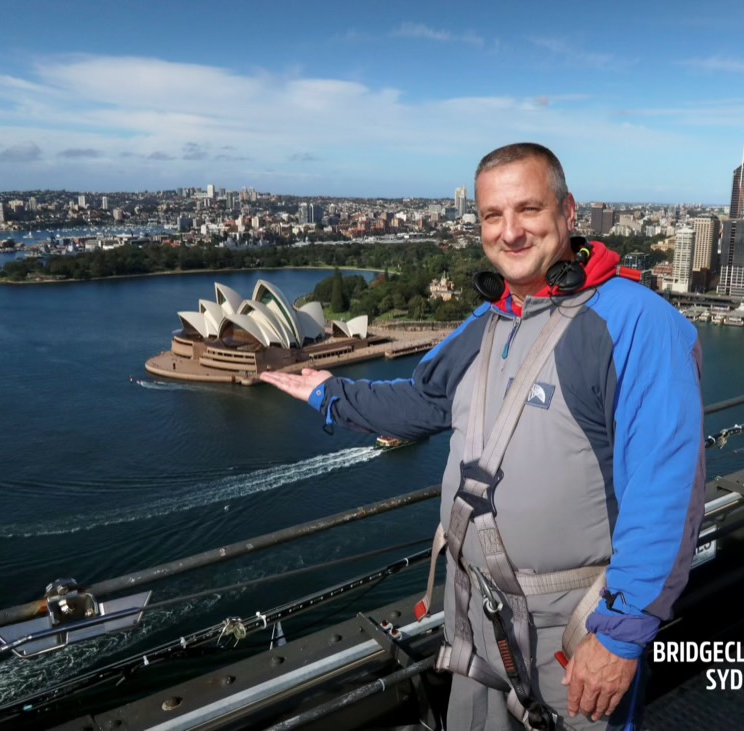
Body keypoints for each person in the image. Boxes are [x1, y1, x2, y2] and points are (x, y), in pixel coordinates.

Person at [261, 143, 705, 730]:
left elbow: (666, 490)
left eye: (529, 209)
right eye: (493, 216)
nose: (510, 231)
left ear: (569, 211)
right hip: (475, 612)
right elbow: (426, 400)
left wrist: (620, 636)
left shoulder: (637, 323)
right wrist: (331, 393)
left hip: (573, 627)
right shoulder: (491, 319)